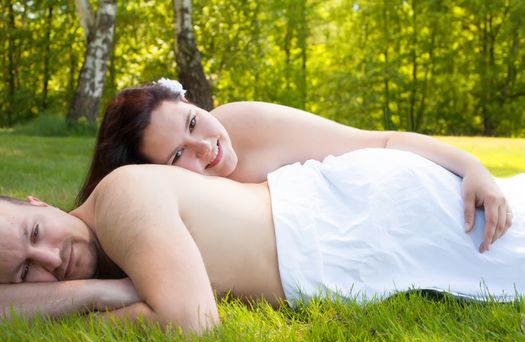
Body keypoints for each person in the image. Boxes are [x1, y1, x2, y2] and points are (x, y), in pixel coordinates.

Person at [1, 148, 524, 334]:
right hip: (343, 237)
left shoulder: (120, 200)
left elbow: (191, 323)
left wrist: (93, 297)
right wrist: (118, 291)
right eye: (28, 272)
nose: (52, 258)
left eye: (35, 234)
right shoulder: (114, 252)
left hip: (363, 218)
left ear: (37, 204)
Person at [77, 79, 512, 253]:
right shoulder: (175, 202)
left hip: (423, 194)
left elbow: (380, 141)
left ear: (190, 103)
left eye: (193, 123)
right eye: (177, 155)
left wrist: (472, 166)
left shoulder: (244, 124)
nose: (204, 147)